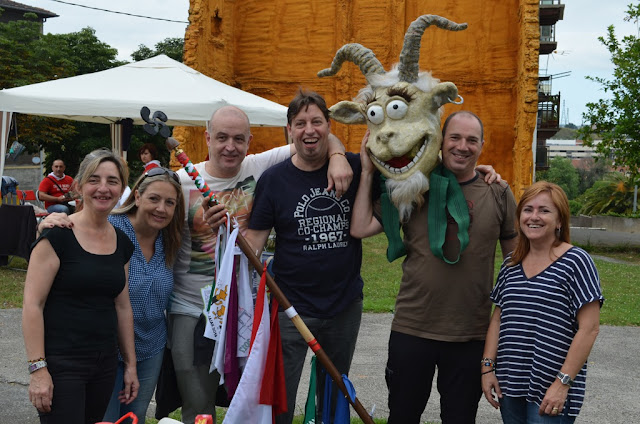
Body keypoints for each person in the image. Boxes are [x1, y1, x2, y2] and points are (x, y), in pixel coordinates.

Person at [168, 105, 353, 424]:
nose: (230, 146)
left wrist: (337, 156)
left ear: (249, 141)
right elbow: (133, 215)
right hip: (193, 306)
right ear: (207, 137)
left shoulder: (260, 166)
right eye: (222, 137)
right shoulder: (180, 181)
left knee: (254, 401)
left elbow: (317, 137)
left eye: (239, 139)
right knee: (197, 401)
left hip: (252, 308)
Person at [350, 110, 518, 423]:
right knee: (403, 415)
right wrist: (368, 173)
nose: (462, 146)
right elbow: (359, 227)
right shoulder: (414, 187)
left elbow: (516, 264)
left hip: (470, 334)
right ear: (441, 142)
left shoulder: (498, 192)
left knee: (459, 418)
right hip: (414, 329)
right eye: (455, 137)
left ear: (482, 145)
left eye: (471, 140)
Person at [244, 90, 363, 424]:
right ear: (289, 130)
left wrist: (339, 154)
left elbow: (397, 165)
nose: (309, 130)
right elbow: (255, 239)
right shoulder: (274, 180)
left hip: (344, 305)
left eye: (317, 122)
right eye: (300, 123)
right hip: (291, 307)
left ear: (329, 125)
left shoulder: (352, 167)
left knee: (335, 395)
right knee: (281, 399)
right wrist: (229, 239)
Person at [38, 167, 186, 422]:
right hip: (106, 349)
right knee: (104, 419)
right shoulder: (112, 228)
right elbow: (77, 233)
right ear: (137, 196)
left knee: (132, 417)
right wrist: (47, 223)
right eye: (154, 199)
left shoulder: (171, 239)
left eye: (169, 203)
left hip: (151, 347)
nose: (161, 208)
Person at [22, 149, 139, 424]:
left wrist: (130, 365)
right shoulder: (57, 236)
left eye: (112, 181)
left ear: (122, 188)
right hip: (61, 364)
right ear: (79, 186)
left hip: (104, 364)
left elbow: (122, 307)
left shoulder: (122, 242)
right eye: (94, 180)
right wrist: (38, 370)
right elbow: (32, 305)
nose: (103, 188)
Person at [481, 181, 603, 423]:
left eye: (544, 210)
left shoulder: (576, 261)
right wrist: (487, 368)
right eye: (528, 209)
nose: (533, 216)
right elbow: (498, 319)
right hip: (510, 384)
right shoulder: (511, 264)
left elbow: (589, 328)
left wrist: (562, 383)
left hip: (551, 390)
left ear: (559, 221)